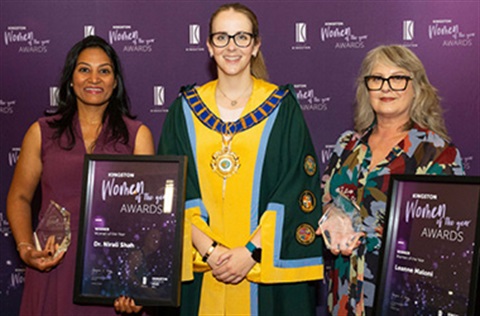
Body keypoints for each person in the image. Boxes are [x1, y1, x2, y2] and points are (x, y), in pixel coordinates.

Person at [157, 3, 323, 315]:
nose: (231, 47)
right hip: (202, 266)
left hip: (261, 268)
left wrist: (250, 252)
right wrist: (210, 251)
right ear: (208, 45)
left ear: (256, 45)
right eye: (221, 37)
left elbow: (296, 186)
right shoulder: (184, 110)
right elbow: (172, 190)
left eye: (242, 37)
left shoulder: (282, 108)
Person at [6, 35, 154, 315]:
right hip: (52, 266)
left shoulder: (137, 136)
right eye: (84, 69)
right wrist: (26, 249)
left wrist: (136, 281)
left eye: (104, 71)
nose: (94, 79)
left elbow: (146, 218)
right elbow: (20, 197)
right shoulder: (41, 131)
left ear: (115, 81)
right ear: (71, 80)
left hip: (111, 276)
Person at [317, 45, 464, 315]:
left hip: (399, 299)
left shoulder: (437, 153)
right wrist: (331, 216)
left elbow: (448, 241)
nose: (386, 87)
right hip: (341, 296)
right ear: (367, 88)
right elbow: (322, 202)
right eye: (377, 79)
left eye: (397, 78)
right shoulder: (346, 145)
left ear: (416, 87)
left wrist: (373, 237)